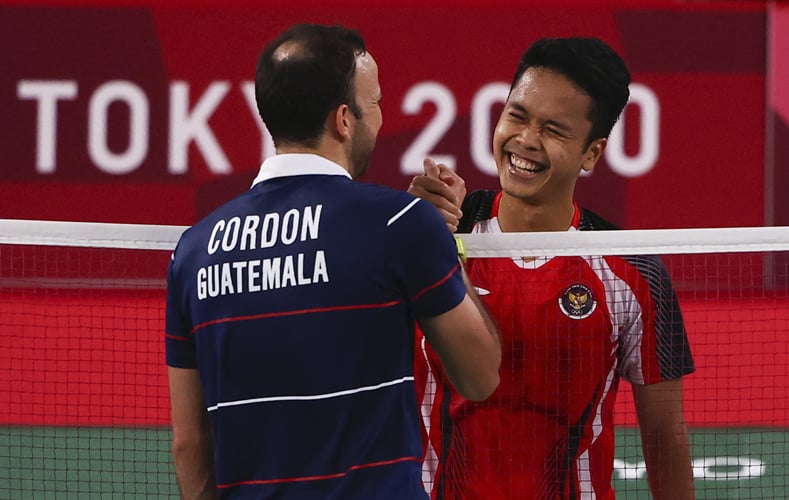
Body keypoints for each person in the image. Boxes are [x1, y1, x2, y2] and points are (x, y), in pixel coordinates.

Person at [165, 23, 501, 499]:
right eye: (377, 103)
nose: (382, 119)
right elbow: (481, 375)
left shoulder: (193, 252)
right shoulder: (402, 223)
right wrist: (445, 243)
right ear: (344, 120)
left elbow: (190, 444)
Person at [409, 37, 695, 499]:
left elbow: (664, 435)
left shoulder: (632, 271)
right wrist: (416, 236)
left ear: (592, 153)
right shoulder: (432, 237)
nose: (525, 140)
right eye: (516, 115)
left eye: (554, 130)